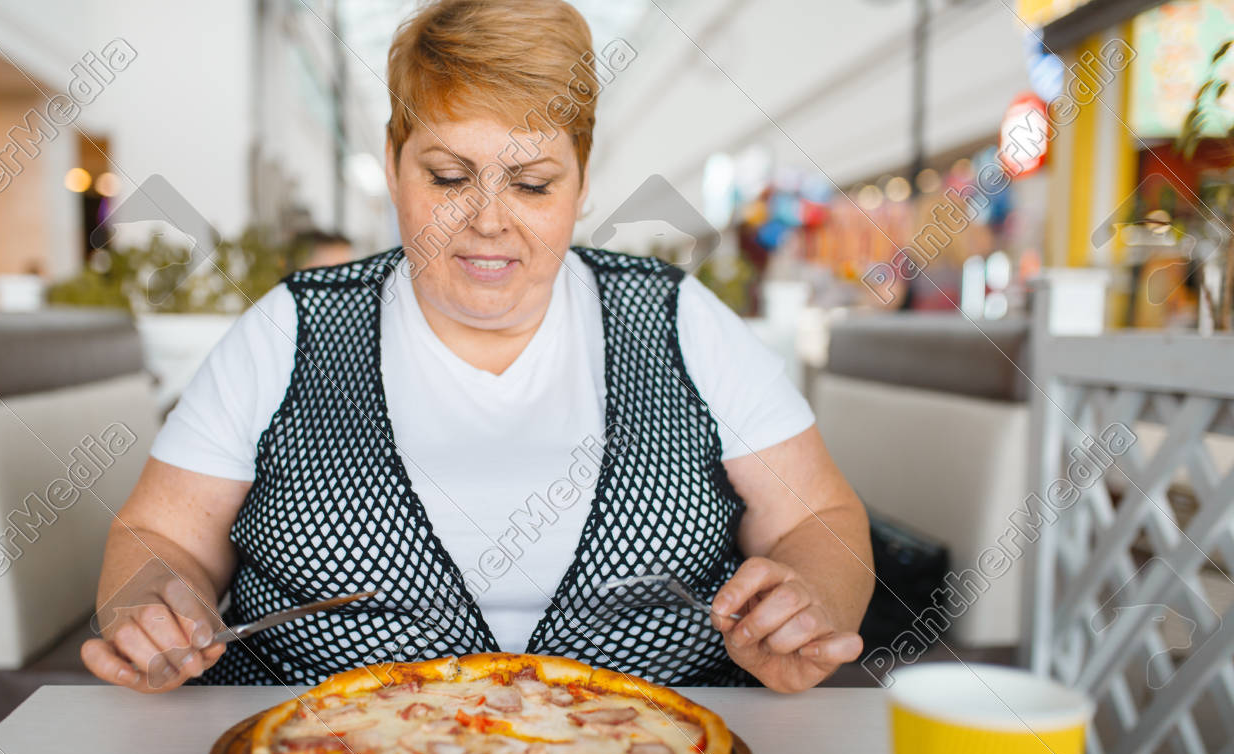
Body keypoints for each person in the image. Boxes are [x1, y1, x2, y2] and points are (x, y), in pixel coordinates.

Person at [81, 0, 873, 695]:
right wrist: (155, 604)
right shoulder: (288, 330)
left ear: (583, 180)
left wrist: (809, 599)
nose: (488, 220)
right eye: (450, 176)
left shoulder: (680, 321)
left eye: (532, 184)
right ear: (395, 166)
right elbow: (161, 538)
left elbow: (822, 519)